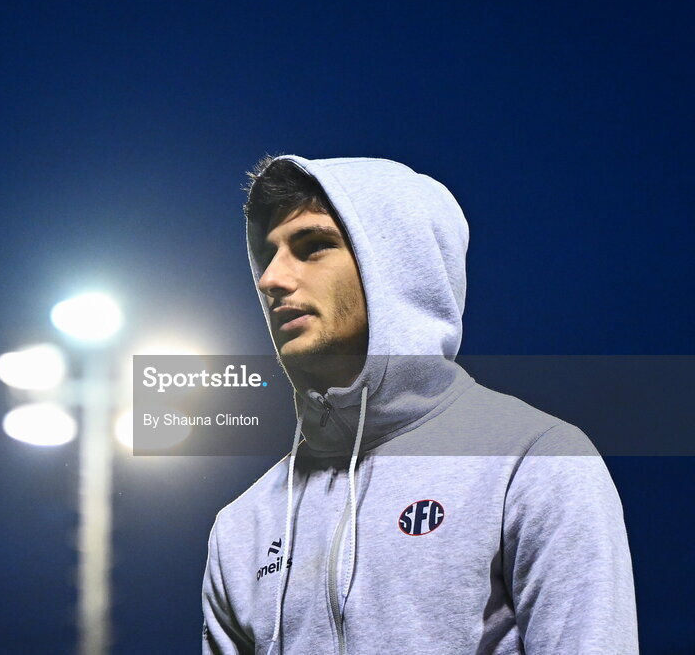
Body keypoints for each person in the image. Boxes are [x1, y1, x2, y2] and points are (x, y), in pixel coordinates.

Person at [201, 155, 638, 654]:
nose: (271, 279)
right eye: (268, 253)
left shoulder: (534, 461)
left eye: (313, 246)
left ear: (393, 265)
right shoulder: (242, 526)